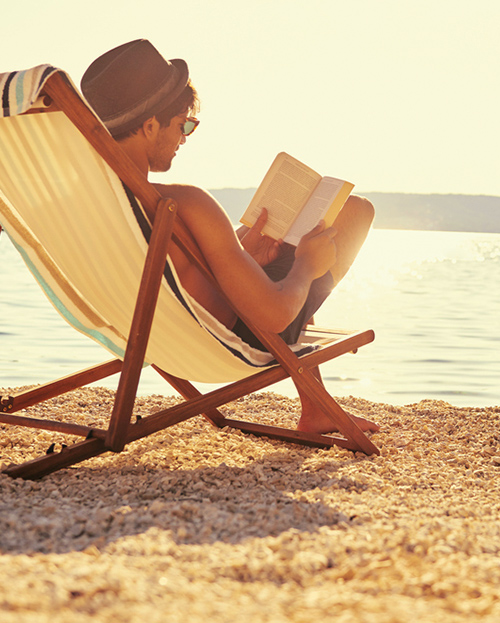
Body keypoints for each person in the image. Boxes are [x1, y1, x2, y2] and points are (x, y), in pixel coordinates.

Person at [80, 39, 378, 435]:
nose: (186, 135)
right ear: (151, 125)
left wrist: (239, 254)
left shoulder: (86, 204)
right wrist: (307, 266)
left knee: (286, 242)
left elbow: (172, 278)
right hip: (233, 340)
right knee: (354, 212)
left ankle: (315, 405)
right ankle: (317, 408)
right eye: (184, 123)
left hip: (152, 338)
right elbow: (274, 315)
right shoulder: (183, 203)